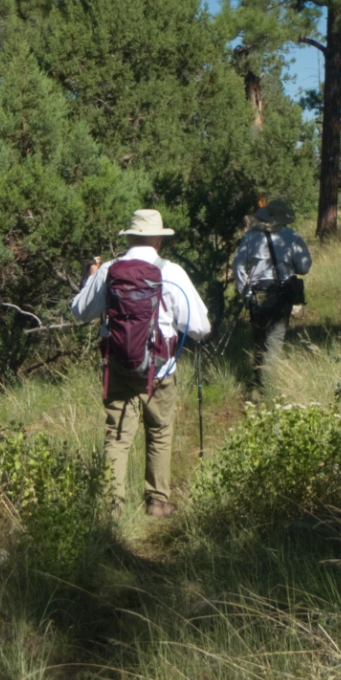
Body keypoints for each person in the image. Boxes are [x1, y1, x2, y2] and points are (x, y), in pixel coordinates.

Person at [69, 208, 211, 518]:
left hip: (117, 368)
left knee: (117, 438)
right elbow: (200, 327)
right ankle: (157, 502)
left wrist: (89, 282)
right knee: (159, 432)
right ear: (158, 238)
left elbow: (79, 311)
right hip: (161, 370)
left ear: (130, 236)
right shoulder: (171, 272)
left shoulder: (108, 270)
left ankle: (112, 509)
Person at [232, 199, 312, 386]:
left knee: (259, 338)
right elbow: (304, 267)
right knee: (274, 339)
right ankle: (268, 386)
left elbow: (238, 265)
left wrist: (244, 291)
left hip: (257, 294)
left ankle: (260, 379)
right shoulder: (292, 237)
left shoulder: (250, 237)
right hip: (282, 294)